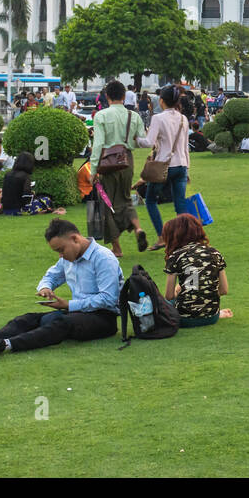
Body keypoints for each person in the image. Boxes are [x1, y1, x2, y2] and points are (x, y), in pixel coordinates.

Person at [0, 219, 123, 359]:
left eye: (61, 249)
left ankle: (4, 345)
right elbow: (51, 275)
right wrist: (45, 288)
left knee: (60, 325)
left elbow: (108, 299)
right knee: (27, 319)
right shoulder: (69, 257)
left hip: (103, 318)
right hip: (78, 312)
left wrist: (68, 304)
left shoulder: (103, 258)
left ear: (75, 239)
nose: (60, 256)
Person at [89, 79, 149, 255]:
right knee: (126, 198)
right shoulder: (134, 116)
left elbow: (98, 144)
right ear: (124, 96)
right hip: (126, 160)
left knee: (107, 203)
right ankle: (137, 229)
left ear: (107, 96)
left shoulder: (101, 116)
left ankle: (116, 248)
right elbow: (140, 141)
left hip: (107, 162)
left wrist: (94, 170)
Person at [136, 85, 192, 250]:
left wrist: (135, 138)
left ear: (161, 100)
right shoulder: (183, 118)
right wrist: (187, 168)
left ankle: (162, 237)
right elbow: (185, 147)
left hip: (164, 166)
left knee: (151, 200)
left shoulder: (158, 118)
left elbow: (148, 142)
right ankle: (184, 239)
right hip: (181, 164)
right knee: (180, 204)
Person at [162, 214, 232, 327]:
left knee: (162, 303)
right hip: (211, 317)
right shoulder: (215, 253)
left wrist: (177, 291)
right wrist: (205, 296)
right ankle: (219, 313)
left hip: (184, 319)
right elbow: (223, 290)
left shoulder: (176, 256)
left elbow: (169, 296)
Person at [0, 151, 65, 216]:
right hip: (20, 210)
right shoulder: (25, 176)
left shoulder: (7, 174)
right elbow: (26, 197)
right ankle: (46, 209)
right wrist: (32, 194)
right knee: (46, 199)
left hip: (7, 210)